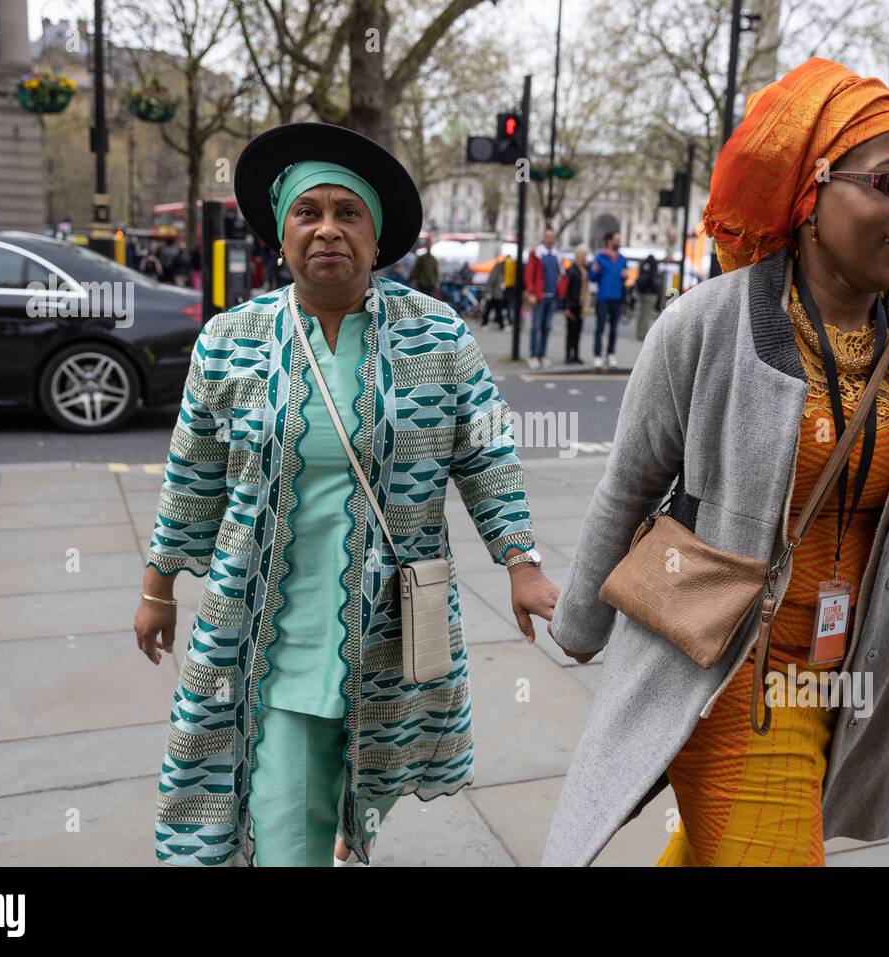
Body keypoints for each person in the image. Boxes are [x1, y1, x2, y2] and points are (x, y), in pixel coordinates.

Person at [542, 57, 889, 866]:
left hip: (847, 680)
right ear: (811, 193)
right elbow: (628, 486)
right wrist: (580, 625)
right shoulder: (703, 327)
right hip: (723, 669)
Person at [137, 121, 560, 868]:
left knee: (374, 776)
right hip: (268, 626)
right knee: (286, 816)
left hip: (392, 626)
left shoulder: (438, 335)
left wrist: (520, 559)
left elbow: (488, 450)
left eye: (348, 214)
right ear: (280, 232)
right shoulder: (231, 339)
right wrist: (158, 587)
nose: (328, 229)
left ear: (373, 237)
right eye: (309, 212)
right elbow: (192, 475)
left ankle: (350, 824)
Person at [588, 231, 628, 369]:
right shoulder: (599, 257)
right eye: (616, 239)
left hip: (617, 297)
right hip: (603, 297)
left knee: (614, 328)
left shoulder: (622, 258)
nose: (618, 242)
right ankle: (597, 355)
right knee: (600, 328)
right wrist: (595, 271)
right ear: (609, 241)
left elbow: (624, 276)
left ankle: (610, 354)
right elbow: (592, 277)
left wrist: (625, 276)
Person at [523, 226, 562, 368]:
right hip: (539, 297)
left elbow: (560, 275)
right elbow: (529, 275)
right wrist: (531, 292)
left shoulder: (557, 254)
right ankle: (532, 355)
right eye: (548, 236)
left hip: (552, 296)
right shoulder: (536, 254)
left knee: (546, 327)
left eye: (552, 237)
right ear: (544, 238)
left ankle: (542, 355)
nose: (550, 239)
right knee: (535, 327)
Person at [561, 244, 590, 364]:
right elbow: (567, 290)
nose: (584, 257)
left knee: (578, 332)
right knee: (570, 332)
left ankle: (576, 355)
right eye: (583, 255)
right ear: (577, 256)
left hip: (580, 305)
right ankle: (568, 355)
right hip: (572, 305)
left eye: (585, 255)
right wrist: (566, 308)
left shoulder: (583, 270)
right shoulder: (572, 270)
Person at [634, 253, 661, 340]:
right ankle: (644, 334)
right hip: (651, 294)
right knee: (646, 315)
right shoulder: (654, 266)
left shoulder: (643, 264)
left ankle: (639, 333)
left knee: (640, 314)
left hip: (641, 292)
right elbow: (655, 280)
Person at [482, 256, 508, 329]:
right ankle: (485, 324)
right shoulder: (498, 269)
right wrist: (488, 293)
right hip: (494, 294)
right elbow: (491, 282)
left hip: (499, 294)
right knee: (490, 309)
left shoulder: (504, 270)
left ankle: (499, 324)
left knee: (496, 310)